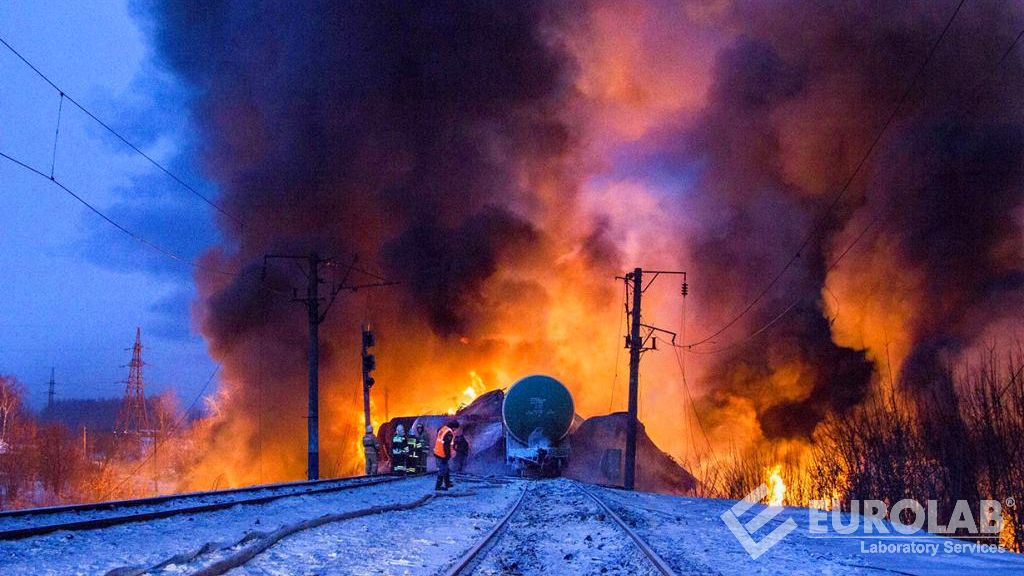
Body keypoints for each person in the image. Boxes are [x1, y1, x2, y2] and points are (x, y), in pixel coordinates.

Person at [433, 420, 459, 491]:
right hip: (442, 454)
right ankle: (438, 486)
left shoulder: (443, 428)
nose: (456, 431)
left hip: (438, 452)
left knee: (446, 469)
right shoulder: (449, 433)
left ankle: (447, 483)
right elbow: (446, 445)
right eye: (456, 429)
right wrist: (447, 456)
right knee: (442, 470)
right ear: (454, 427)